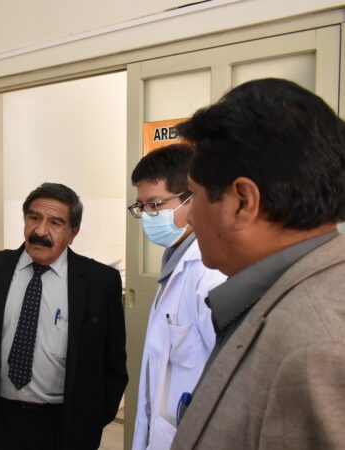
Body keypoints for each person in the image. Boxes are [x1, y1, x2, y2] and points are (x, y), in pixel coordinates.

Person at [171, 78, 345, 449]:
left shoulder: (318, 349)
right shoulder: (283, 295)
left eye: (194, 195)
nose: (190, 218)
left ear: (242, 203)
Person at [0, 182, 128, 450]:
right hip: (1, 418)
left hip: (65, 424)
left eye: (55, 223)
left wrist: (92, 419)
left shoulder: (100, 281)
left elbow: (114, 363)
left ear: (73, 232)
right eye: (34, 218)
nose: (40, 231)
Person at [128, 144, 226, 450]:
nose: (148, 216)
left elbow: (226, 375)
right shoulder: (175, 260)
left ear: (192, 199)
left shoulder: (210, 274)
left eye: (155, 205)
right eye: (142, 206)